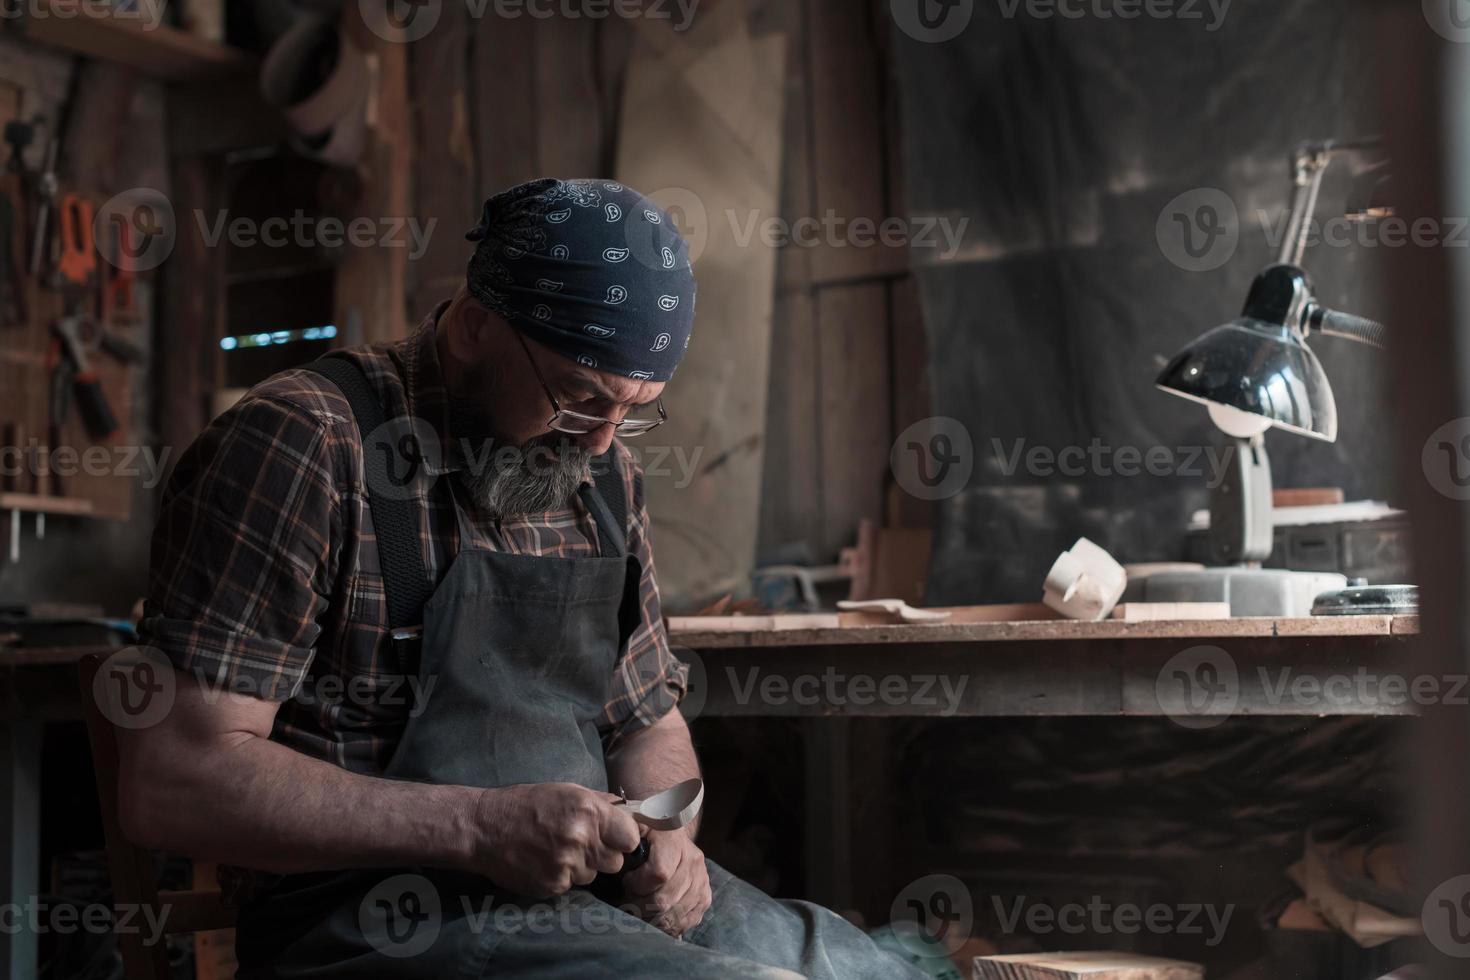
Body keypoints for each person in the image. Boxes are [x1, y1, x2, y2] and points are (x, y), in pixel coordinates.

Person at [118, 178, 929, 978]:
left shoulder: (604, 478)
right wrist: (477, 828)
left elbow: (648, 722)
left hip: (587, 899)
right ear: (475, 327)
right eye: (580, 399)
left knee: (885, 974)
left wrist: (671, 834)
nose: (605, 444)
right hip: (377, 920)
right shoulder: (305, 445)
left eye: (635, 409)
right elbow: (175, 780)